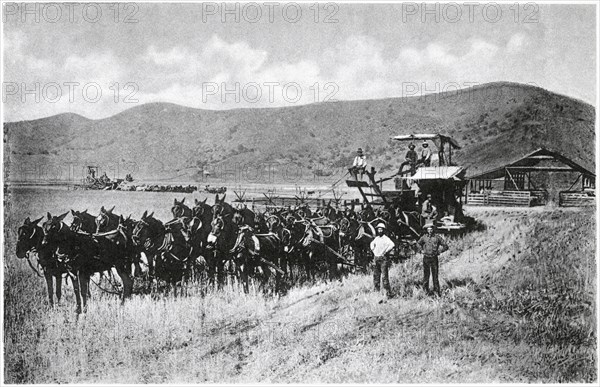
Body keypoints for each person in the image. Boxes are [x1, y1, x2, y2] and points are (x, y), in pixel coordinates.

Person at [417, 224, 448, 296]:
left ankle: (437, 292)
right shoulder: (424, 238)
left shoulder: (437, 238)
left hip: (434, 258)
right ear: (426, 230)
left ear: (433, 230)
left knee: (435, 276)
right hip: (426, 258)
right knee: (426, 276)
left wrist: (439, 251)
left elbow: (445, 246)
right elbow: (418, 244)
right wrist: (421, 250)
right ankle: (425, 292)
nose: (430, 231)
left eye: (431, 229)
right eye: (428, 229)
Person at [370, 222, 395, 298]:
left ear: (383, 230)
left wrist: (385, 251)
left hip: (383, 259)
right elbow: (371, 244)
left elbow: (392, 245)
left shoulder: (386, 238)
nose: (380, 231)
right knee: (376, 276)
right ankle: (376, 291)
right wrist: (373, 250)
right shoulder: (376, 238)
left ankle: (388, 293)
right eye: (378, 229)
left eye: (381, 229)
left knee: (384, 277)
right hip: (376, 258)